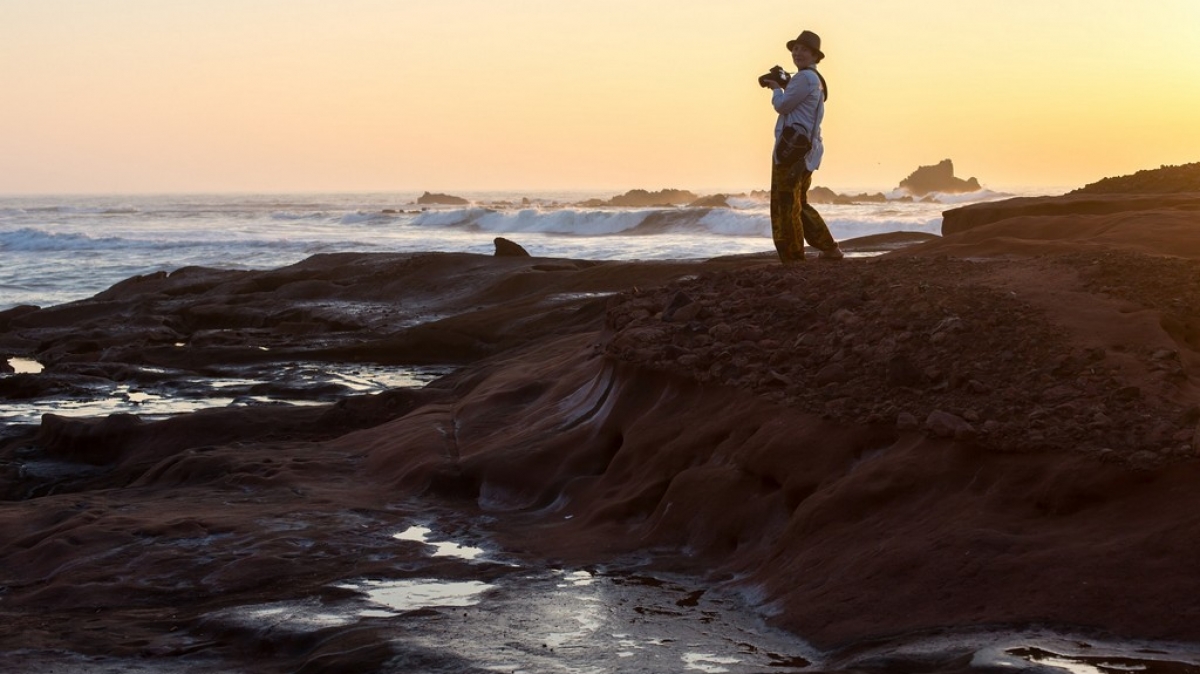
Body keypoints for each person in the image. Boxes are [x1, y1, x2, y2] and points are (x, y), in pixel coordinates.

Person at [764, 30, 843, 264]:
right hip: (807, 151)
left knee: (785, 204)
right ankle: (830, 249)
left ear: (814, 55)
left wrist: (777, 88)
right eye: (795, 49)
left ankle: (793, 258)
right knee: (800, 203)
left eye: (804, 50)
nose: (798, 53)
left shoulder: (804, 78)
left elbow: (783, 106)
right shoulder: (817, 80)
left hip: (791, 150)